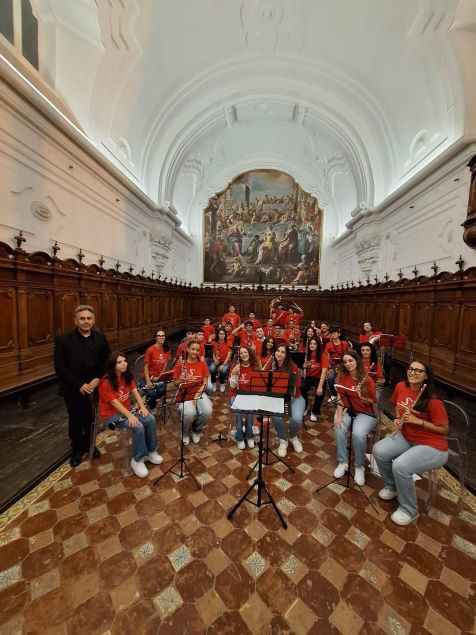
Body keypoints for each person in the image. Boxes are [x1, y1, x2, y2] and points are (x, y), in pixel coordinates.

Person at [372, 360, 449, 526]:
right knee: (378, 450)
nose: (413, 373)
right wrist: (399, 418)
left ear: (426, 376)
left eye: (418, 371)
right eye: (411, 369)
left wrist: (418, 421)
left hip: (432, 445)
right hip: (408, 436)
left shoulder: (433, 400)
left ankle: (409, 510)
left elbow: (444, 429)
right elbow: (397, 406)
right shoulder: (401, 386)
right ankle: (392, 487)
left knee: (401, 466)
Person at [54, 305, 111, 467]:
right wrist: (79, 384)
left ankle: (89, 445)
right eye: (82, 318)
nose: (86, 321)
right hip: (73, 388)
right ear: (75, 320)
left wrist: (97, 379)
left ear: (93, 320)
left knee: (91, 418)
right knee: (76, 419)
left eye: (89, 318)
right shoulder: (64, 340)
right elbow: (60, 367)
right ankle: (77, 449)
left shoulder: (100, 338)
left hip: (94, 387)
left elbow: (107, 361)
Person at [98, 352, 162, 478]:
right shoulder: (105, 382)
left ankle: (151, 451)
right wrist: (130, 416)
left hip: (126, 409)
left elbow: (135, 392)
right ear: (112, 365)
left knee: (150, 419)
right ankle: (137, 460)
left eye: (125, 361)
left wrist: (142, 407)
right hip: (110, 415)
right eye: (120, 362)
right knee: (138, 426)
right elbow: (115, 403)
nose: (124, 364)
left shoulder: (127, 375)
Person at [333, 350, 378, 486]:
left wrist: (361, 397)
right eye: (345, 361)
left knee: (358, 434)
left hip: (366, 412)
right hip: (349, 409)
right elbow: (340, 397)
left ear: (357, 361)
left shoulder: (367, 379)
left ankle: (359, 466)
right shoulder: (341, 376)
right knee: (339, 427)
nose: (348, 364)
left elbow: (373, 401)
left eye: (350, 361)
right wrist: (340, 416)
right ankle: (343, 462)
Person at [173, 340, 212, 445]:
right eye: (193, 349)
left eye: (197, 350)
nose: (195, 352)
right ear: (188, 349)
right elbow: (175, 383)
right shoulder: (180, 365)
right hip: (184, 393)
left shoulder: (202, 364)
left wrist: (197, 395)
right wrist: (181, 380)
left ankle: (197, 430)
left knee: (207, 411)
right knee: (189, 413)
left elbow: (205, 383)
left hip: (198, 392)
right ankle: (185, 433)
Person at [270, 344, 306, 457]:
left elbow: (294, 391)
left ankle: (293, 436)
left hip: (295, 397)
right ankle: (283, 439)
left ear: (286, 355)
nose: (279, 354)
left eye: (282, 352)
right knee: (275, 417)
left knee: (296, 419)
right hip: (277, 398)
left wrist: (286, 405)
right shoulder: (270, 365)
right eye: (277, 351)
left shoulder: (292, 367)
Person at [229, 346, 260, 449]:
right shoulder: (235, 366)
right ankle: (240, 437)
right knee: (237, 412)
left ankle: (249, 435)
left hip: (251, 395)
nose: (243, 355)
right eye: (241, 353)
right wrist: (233, 374)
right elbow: (232, 386)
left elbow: (259, 385)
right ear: (239, 356)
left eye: (245, 352)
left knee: (250, 412)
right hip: (236, 394)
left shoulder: (255, 367)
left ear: (249, 353)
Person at [142, 329, 171, 409]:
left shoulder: (167, 349)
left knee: (163, 390)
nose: (161, 337)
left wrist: (160, 376)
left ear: (165, 337)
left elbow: (165, 363)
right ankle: (151, 406)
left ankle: (153, 401)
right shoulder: (150, 350)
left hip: (158, 378)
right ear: (155, 338)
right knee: (152, 394)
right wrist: (148, 381)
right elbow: (145, 366)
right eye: (159, 336)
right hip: (148, 378)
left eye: (163, 336)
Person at [301, 337, 329, 422]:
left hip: (319, 377)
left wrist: (320, 386)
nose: (312, 345)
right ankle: (305, 406)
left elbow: (324, 372)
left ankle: (315, 411)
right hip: (309, 376)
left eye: (314, 344)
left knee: (320, 392)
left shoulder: (323, 355)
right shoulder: (307, 354)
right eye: (310, 344)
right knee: (301, 388)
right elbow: (303, 365)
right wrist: (304, 366)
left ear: (318, 345)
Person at [324, 326, 351, 403]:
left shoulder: (345, 343)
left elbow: (350, 354)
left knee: (346, 379)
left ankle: (345, 396)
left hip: (344, 366)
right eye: (332, 333)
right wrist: (328, 366)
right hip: (333, 366)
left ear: (339, 334)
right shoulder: (328, 344)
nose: (334, 334)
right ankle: (334, 395)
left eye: (335, 332)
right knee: (330, 378)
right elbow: (326, 356)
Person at [210, 328, 232, 392]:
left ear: (225, 335)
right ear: (218, 335)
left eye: (223, 334)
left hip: (225, 361)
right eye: (220, 334)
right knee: (212, 369)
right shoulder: (214, 343)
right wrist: (215, 360)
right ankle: (214, 384)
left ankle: (222, 383)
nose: (222, 335)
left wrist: (223, 364)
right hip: (216, 360)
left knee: (223, 371)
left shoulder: (228, 343)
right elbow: (212, 353)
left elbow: (229, 355)